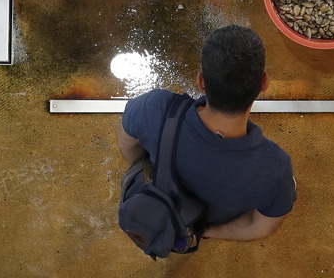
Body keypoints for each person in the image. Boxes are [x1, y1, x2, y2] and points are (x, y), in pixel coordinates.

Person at [116, 25, 296, 241]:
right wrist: (204, 232)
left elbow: (126, 142)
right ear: (264, 83)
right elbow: (260, 226)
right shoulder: (275, 170)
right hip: (193, 225)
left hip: (153, 203)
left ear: (201, 81)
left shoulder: (155, 108)